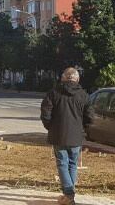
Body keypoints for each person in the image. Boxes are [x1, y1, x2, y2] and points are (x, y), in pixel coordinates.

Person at [40, 68, 94, 205]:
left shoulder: (53, 93)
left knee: (62, 164)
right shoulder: (83, 95)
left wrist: (50, 127)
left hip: (58, 135)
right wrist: (83, 129)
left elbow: (45, 113)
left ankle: (69, 195)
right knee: (72, 165)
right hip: (76, 137)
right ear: (77, 79)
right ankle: (69, 195)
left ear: (63, 78)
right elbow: (90, 117)